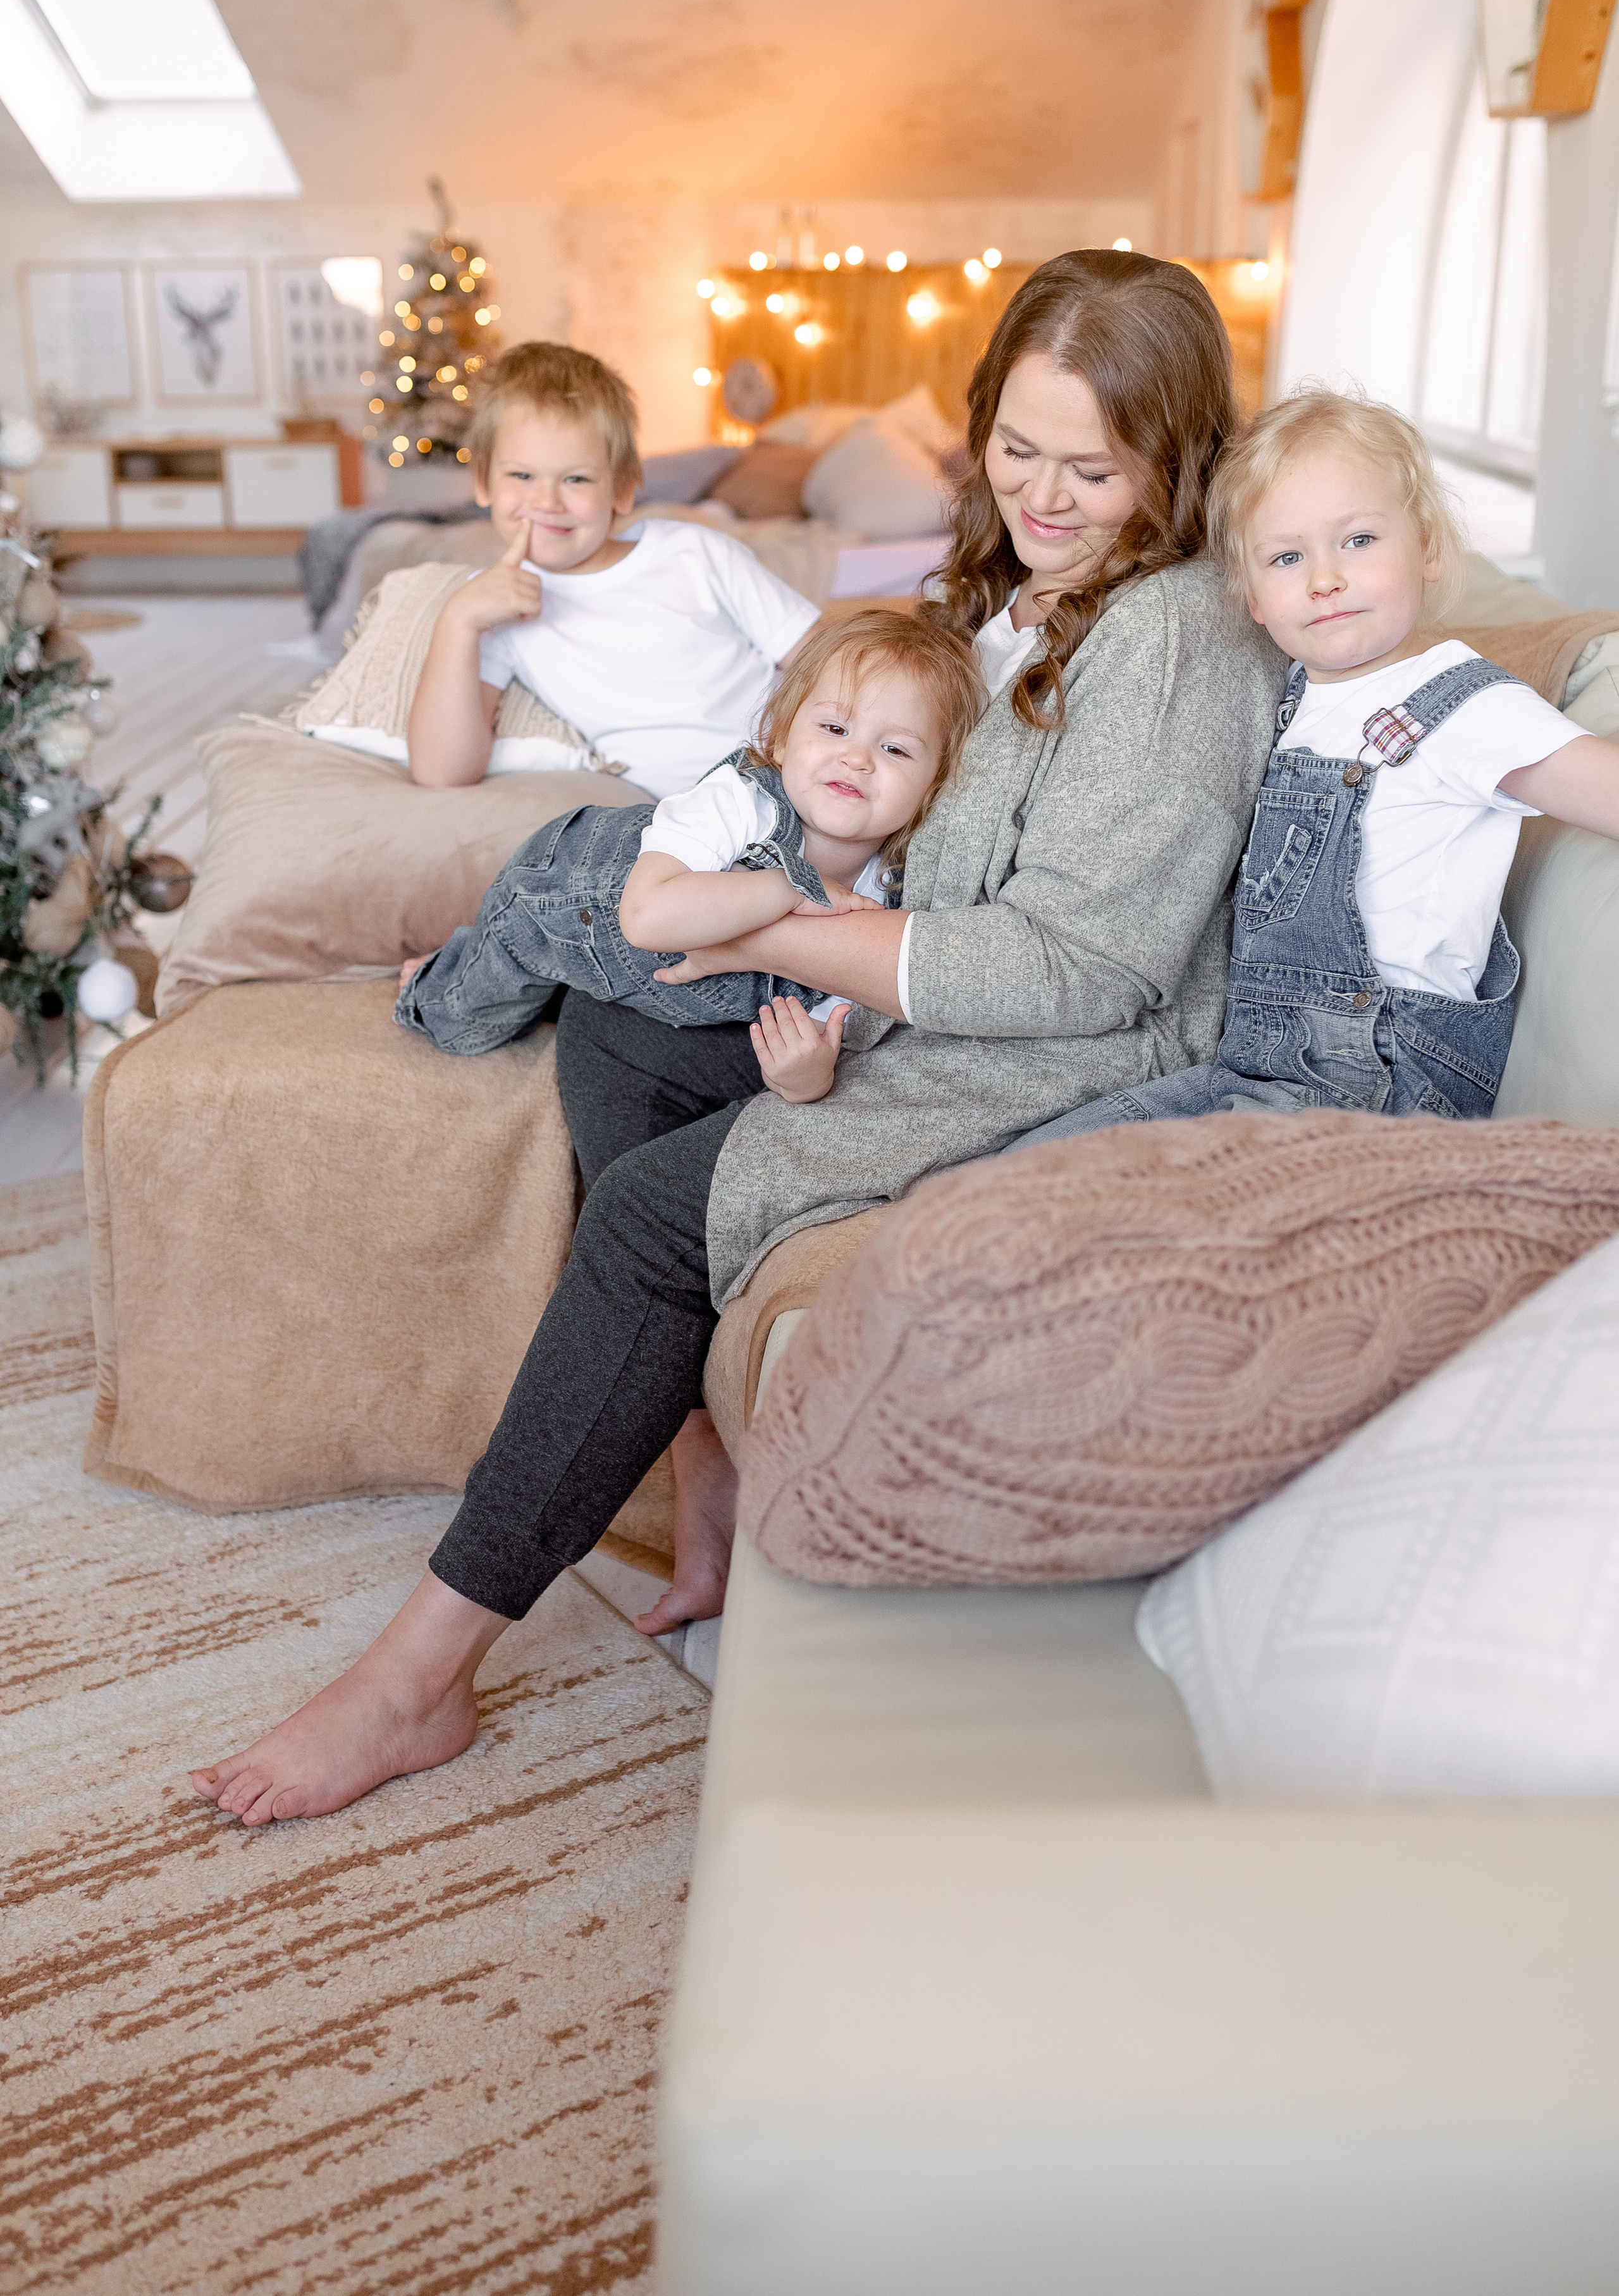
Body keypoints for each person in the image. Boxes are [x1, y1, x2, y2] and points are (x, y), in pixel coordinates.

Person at [192, 249, 1290, 1828]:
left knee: (653, 1191)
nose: (1044, 494)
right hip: (902, 994)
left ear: (1169, 461)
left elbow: (1082, 970)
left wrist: (757, 928)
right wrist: (723, 887)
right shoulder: (1014, 586)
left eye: (1092, 467)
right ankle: (697, 1461)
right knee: (624, 1003)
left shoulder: (1174, 635)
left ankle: (417, 1672)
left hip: (1044, 1051)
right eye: (1016, 446)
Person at [1009, 390, 1619, 1156]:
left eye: (1358, 540)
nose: (1324, 578)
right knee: (1024, 1172)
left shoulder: (1462, 706)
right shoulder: (1293, 695)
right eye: (1287, 557)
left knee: (1135, 1205)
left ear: (1429, 547)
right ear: (1252, 597)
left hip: (1377, 1082)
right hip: (1253, 1062)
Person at [394, 612, 986, 1111]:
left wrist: (806, 1075)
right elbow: (647, 919)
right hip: (567, 899)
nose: (856, 758)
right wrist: (791, 888)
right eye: (834, 727)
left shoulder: (886, 896)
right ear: (781, 737)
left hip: (651, 983)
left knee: (564, 994)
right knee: (466, 1020)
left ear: (933, 788)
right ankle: (437, 976)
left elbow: (828, 1019)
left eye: (895, 748)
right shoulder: (740, 802)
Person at [406, 340, 820, 799]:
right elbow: (441, 770)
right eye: (522, 476)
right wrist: (458, 622)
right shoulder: (492, 605)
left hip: (784, 770)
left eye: (576, 479)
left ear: (623, 489)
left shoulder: (693, 553)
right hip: (685, 812)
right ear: (483, 482)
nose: (547, 501)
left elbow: (821, 656)